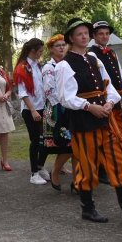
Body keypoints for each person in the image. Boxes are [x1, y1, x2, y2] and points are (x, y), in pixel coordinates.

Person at [55, 18, 122, 223]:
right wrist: (89, 107)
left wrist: (109, 103)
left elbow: (110, 87)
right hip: (83, 122)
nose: (84, 36)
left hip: (105, 119)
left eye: (86, 33)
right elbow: (65, 97)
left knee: (118, 161)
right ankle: (88, 208)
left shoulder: (94, 59)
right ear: (71, 38)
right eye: (79, 34)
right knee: (87, 165)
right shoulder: (64, 65)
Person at [89, 21, 122, 185]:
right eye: (100, 33)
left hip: (118, 100)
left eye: (106, 33)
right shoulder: (92, 54)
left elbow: (120, 78)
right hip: (106, 101)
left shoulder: (111, 53)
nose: (104, 36)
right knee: (111, 136)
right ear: (94, 36)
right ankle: (106, 169)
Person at [14, 38, 50, 185]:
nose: (41, 54)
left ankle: (40, 166)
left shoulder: (37, 65)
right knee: (35, 140)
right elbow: (22, 93)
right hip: (31, 110)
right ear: (33, 51)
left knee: (45, 140)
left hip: (41, 107)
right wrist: (33, 110)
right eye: (40, 51)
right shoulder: (23, 67)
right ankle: (33, 173)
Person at [39, 35, 73, 190]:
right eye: (58, 45)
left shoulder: (68, 64)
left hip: (71, 106)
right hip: (57, 109)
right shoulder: (48, 67)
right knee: (66, 145)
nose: (61, 47)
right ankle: (55, 172)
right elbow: (49, 90)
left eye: (63, 45)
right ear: (51, 49)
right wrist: (64, 105)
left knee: (74, 145)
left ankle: (78, 179)